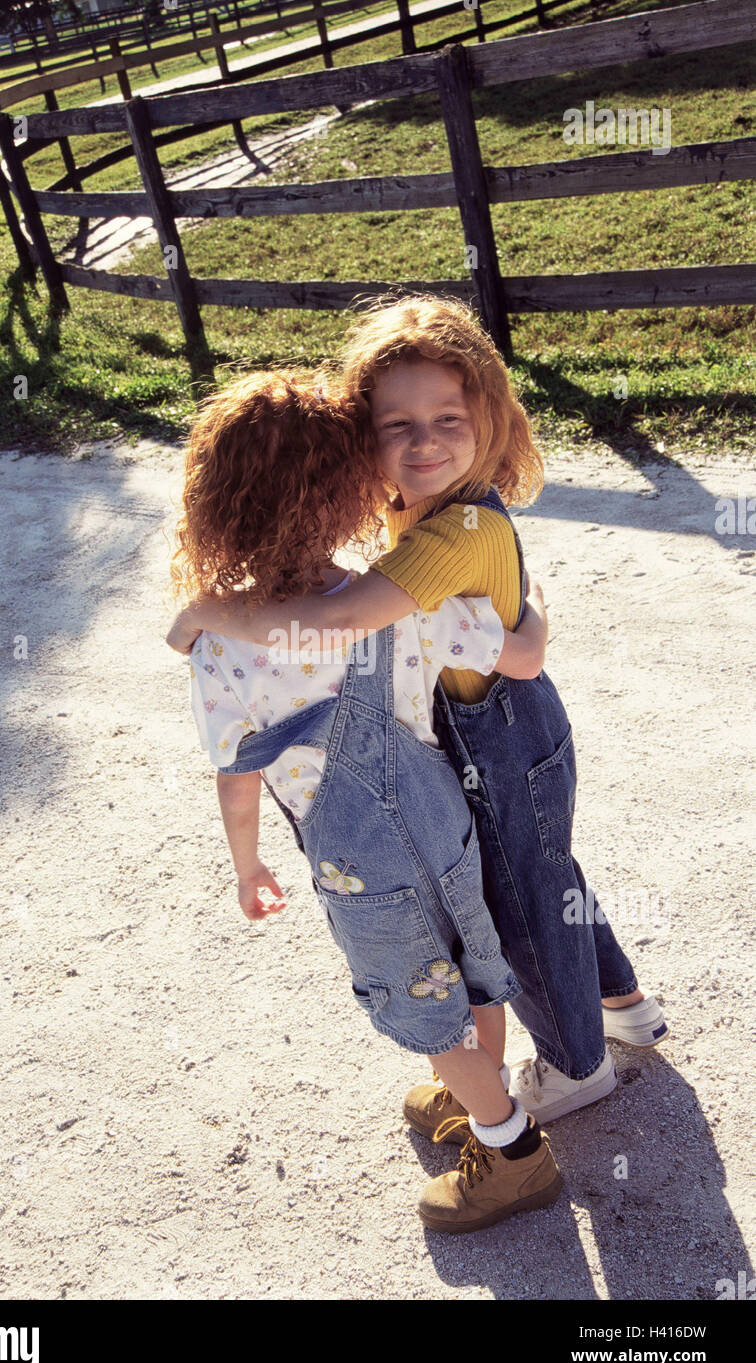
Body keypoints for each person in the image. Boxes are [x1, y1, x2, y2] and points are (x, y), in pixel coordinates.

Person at [167, 298, 669, 1158]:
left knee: (517, 904)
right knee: (527, 888)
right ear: (359, 453)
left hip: (469, 762)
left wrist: (207, 610)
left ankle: (554, 1091)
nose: (422, 442)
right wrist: (533, 622)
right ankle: (618, 1007)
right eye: (394, 425)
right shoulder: (412, 548)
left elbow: (305, 667)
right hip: (470, 761)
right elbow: (495, 631)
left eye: (446, 419)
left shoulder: (423, 546)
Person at [167, 369, 563, 1233]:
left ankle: (512, 1152)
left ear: (217, 503)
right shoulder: (390, 592)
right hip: (440, 819)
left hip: (358, 858)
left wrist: (250, 866)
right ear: (351, 486)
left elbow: (235, 775)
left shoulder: (218, 644)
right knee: (468, 960)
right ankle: (479, 1097)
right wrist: (533, 609)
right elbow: (520, 653)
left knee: (425, 1004)